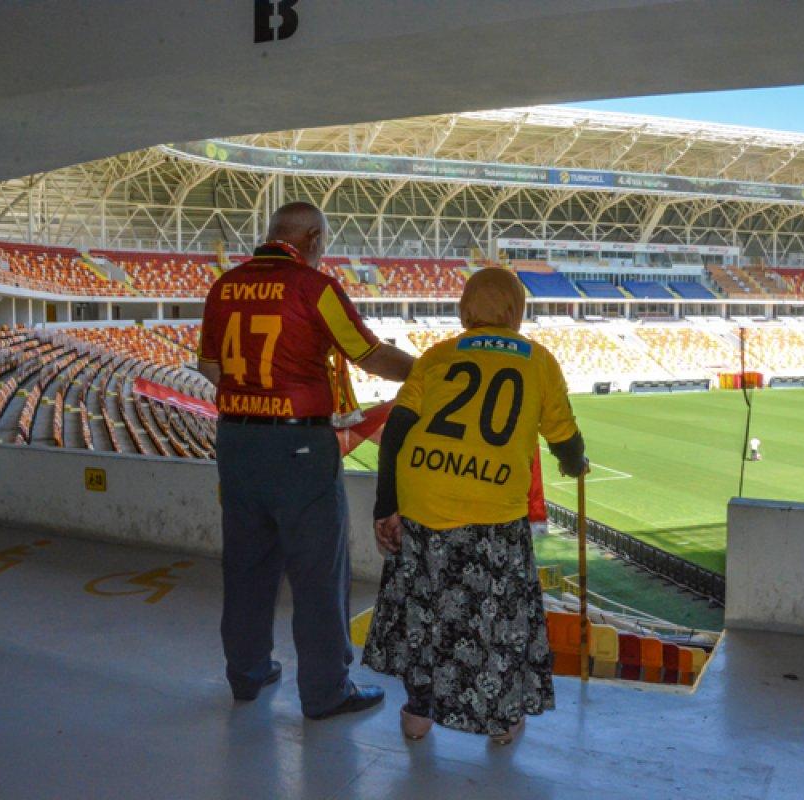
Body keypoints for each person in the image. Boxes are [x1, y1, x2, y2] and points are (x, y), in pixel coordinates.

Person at [197, 201, 414, 719]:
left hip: (236, 441)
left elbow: (210, 367)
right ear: (313, 239)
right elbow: (370, 355)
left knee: (246, 563)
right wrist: (431, 370)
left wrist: (255, 398)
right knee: (318, 570)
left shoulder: (224, 286)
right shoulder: (314, 288)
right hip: (299, 448)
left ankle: (246, 674)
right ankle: (325, 691)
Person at [362, 267, 588, 745]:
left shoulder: (438, 355)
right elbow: (564, 437)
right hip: (492, 515)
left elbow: (396, 432)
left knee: (424, 611)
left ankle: (418, 714)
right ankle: (503, 720)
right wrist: (575, 463)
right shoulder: (539, 360)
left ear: (465, 310)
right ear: (516, 313)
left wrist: (387, 507)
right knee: (497, 622)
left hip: (422, 501)